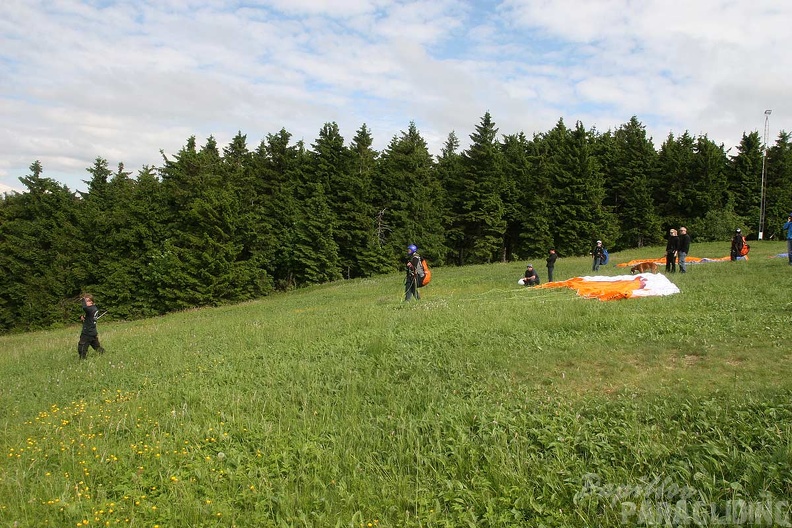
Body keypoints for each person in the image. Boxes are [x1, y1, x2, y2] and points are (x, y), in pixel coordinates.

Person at [78, 294, 105, 359]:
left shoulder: (91, 309)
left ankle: (82, 361)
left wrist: (82, 299)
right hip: (92, 332)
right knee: (96, 347)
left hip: (87, 332)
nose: (85, 302)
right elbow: (90, 318)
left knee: (82, 347)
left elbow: (84, 308)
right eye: (85, 301)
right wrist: (83, 318)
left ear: (91, 302)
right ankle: (104, 354)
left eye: (87, 301)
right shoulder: (93, 308)